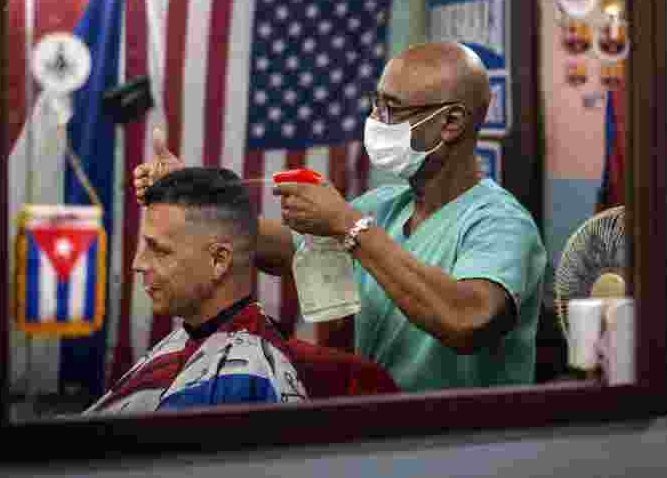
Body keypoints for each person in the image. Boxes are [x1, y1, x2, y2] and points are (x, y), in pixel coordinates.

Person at [134, 42, 546, 392]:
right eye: (376, 104)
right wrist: (193, 196)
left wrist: (349, 226)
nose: (375, 121)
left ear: (451, 122)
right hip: (389, 435)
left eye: (393, 110)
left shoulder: (500, 223)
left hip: (473, 446)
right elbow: (282, 248)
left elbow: (467, 319)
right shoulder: (387, 205)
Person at [85, 167, 307, 414]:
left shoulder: (244, 380)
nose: (138, 263)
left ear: (218, 261)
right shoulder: (195, 340)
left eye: (159, 250)